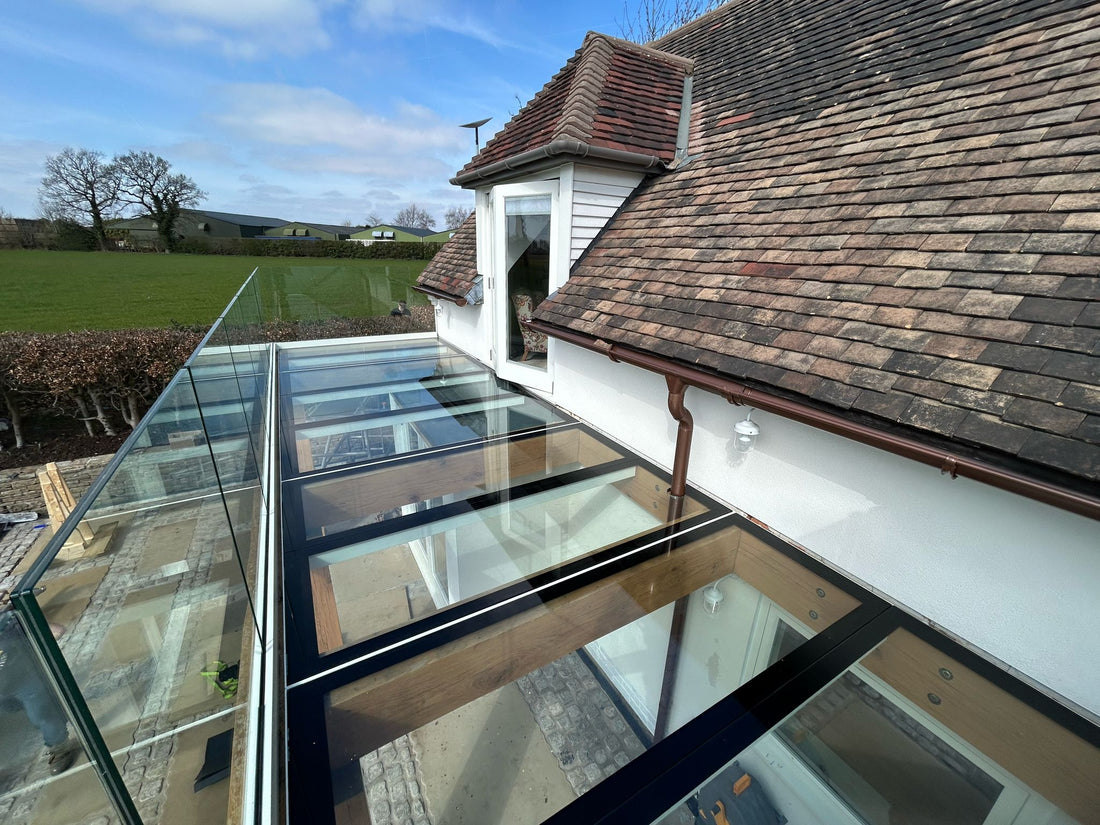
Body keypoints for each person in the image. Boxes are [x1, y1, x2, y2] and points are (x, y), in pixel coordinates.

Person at [0, 590, 77, 775]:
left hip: (23, 680)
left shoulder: (8, 623)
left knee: (42, 713)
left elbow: (56, 631)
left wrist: (25, 616)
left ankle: (59, 748)